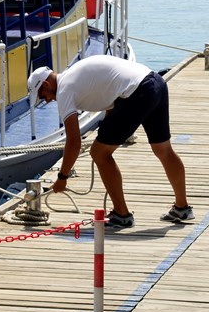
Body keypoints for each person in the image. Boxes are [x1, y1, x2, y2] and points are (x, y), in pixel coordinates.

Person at [27, 55, 192, 229]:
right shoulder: (74, 73)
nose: (46, 100)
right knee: (163, 149)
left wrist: (63, 177)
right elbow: (107, 92)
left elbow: (74, 142)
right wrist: (108, 124)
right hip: (156, 82)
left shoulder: (64, 90)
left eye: (42, 96)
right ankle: (182, 208)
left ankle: (122, 215)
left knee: (99, 153)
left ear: (46, 85)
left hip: (138, 92)